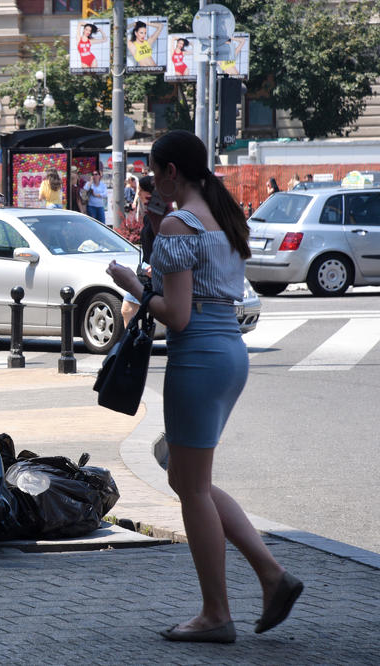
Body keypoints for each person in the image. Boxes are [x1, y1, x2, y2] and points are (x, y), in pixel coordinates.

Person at [106, 130, 302, 644]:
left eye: (153, 174)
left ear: (172, 171)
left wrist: (135, 288)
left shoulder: (177, 223)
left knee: (189, 485)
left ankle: (217, 612)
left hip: (198, 358)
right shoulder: (225, 214)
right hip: (230, 354)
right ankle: (271, 575)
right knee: (190, 479)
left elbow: (178, 315)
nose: (152, 186)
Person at [119, 176, 168, 326]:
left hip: (156, 269)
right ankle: (132, 346)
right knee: (127, 309)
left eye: (141, 192)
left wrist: (158, 265)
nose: (139, 195)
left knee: (167, 315)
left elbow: (166, 241)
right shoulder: (150, 215)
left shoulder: (160, 214)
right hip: (146, 268)